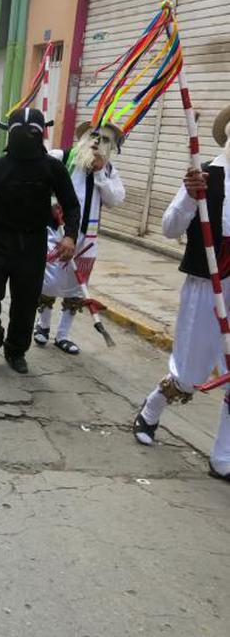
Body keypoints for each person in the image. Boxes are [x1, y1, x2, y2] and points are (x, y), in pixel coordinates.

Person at [132, 107, 230, 481]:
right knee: (189, 372)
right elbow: (170, 228)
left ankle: (223, 456)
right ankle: (151, 409)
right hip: (207, 287)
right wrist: (190, 198)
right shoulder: (204, 176)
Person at [0, 107, 80, 374]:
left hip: (33, 245)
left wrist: (71, 236)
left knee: (25, 304)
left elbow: (71, 205)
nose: (25, 137)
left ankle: (16, 351)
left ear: (41, 134)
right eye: (19, 132)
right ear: (9, 133)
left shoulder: (53, 168)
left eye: (32, 132)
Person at [34, 121, 126, 354]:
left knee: (76, 287)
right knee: (49, 281)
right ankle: (43, 326)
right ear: (84, 138)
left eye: (105, 140)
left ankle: (63, 335)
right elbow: (38, 178)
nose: (97, 142)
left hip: (87, 240)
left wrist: (100, 175)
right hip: (57, 233)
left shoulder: (108, 171)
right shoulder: (61, 158)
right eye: (94, 136)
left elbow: (116, 199)